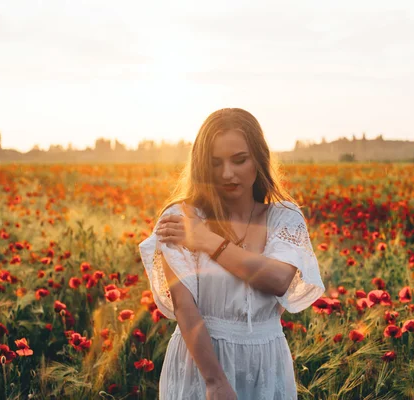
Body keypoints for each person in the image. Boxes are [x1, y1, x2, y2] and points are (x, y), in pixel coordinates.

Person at [138, 108, 325, 399]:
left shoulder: (284, 217)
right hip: (200, 365)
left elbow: (277, 279)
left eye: (239, 160)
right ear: (202, 166)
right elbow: (186, 309)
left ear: (259, 159)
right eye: (215, 163)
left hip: (266, 362)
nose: (227, 174)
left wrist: (206, 240)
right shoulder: (180, 218)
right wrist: (214, 381)